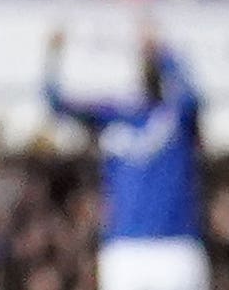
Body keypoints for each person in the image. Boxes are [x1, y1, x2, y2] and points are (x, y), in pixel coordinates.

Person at [47, 17, 206, 290]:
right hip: (125, 250)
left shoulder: (177, 115)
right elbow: (55, 102)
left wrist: (162, 50)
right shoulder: (112, 117)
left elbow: (194, 96)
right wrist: (54, 54)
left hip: (176, 247)